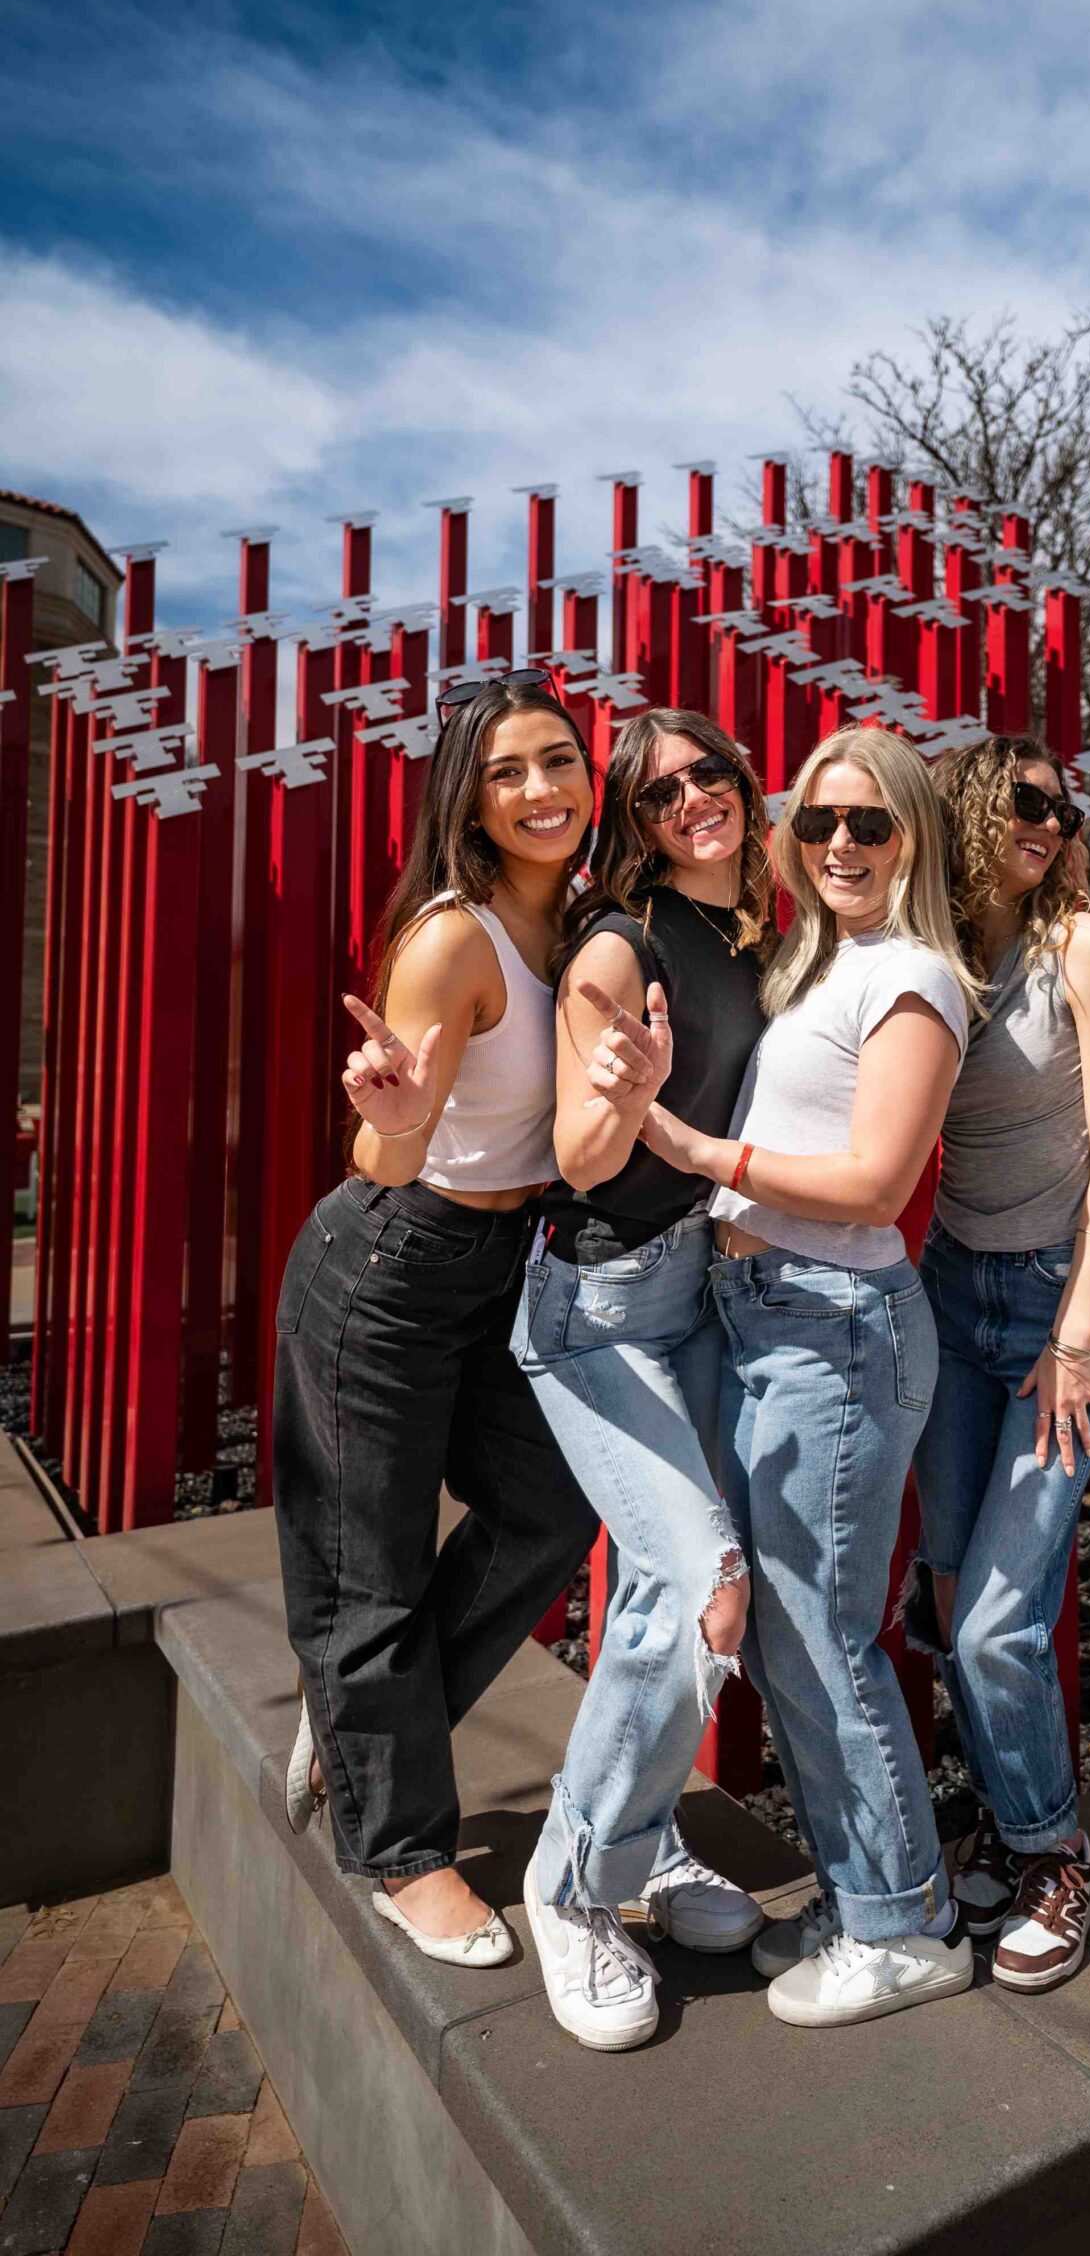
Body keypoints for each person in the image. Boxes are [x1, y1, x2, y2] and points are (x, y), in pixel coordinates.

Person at [624, 725, 979, 2030]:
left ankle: (906, 1924)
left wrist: (693, 1148)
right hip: (766, 1311)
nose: (839, 845)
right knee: (786, 1635)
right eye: (819, 822)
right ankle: (860, 1886)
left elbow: (877, 1183)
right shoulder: (813, 962)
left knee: (825, 1635)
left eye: (870, 824)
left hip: (832, 1322)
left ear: (912, 841)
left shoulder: (916, 978)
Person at [273, 671, 601, 1968]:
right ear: (467, 796)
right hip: (388, 1265)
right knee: (370, 1566)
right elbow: (386, 1148)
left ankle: (365, 1724)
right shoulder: (454, 938)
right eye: (509, 769)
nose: (540, 789)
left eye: (559, 760)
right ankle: (399, 1850)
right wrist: (399, 1119)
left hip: (494, 1266)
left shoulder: (577, 924)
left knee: (548, 1508)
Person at [511, 709, 773, 2051]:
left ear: (740, 781)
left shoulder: (758, 930)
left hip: (699, 1295)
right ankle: (568, 1887)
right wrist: (633, 1094)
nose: (688, 804)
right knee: (696, 1581)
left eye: (705, 776)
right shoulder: (623, 945)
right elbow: (581, 1155)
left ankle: (638, 1836)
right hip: (597, 1305)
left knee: (678, 1599)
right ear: (635, 819)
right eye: (658, 792)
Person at [904, 734, 1090, 1993]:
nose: (1048, 821)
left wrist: (1075, 1333)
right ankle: (1001, 1813)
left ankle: (1053, 1847)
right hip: (947, 1294)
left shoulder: (1080, 947)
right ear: (968, 814)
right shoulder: (929, 958)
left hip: (1059, 1301)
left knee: (1001, 1618)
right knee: (952, 1602)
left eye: (1061, 804)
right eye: (1023, 801)